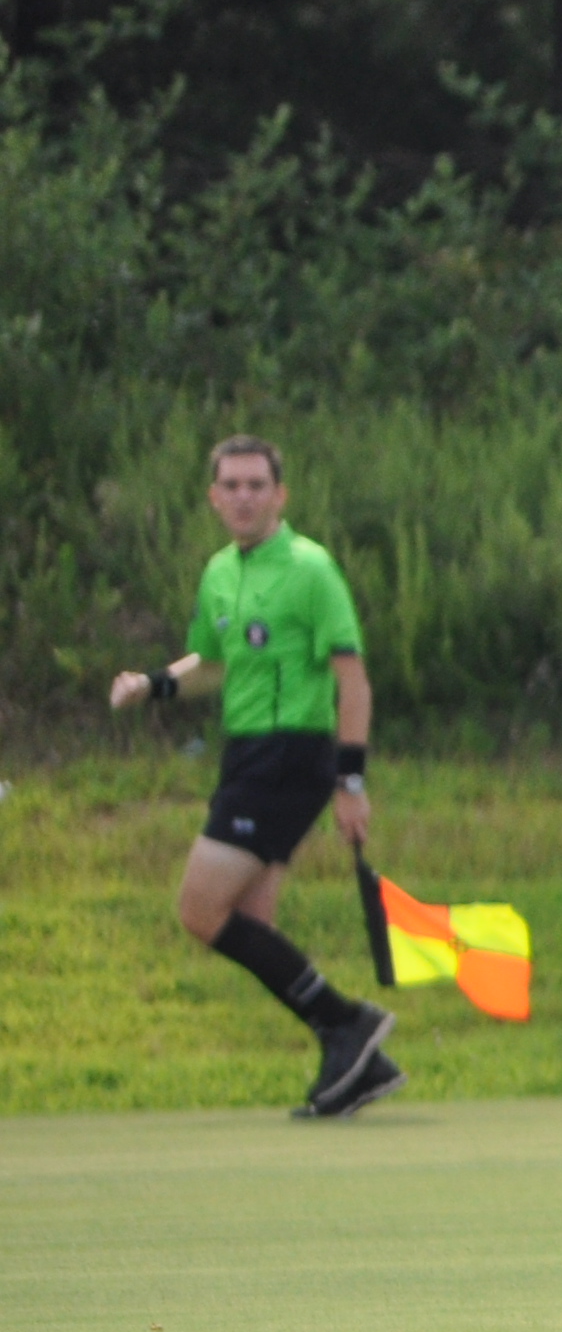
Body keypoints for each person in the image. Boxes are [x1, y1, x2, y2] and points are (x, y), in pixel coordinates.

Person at [104, 436, 403, 1119]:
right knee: (249, 922)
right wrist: (152, 684)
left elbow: (352, 682)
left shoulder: (310, 569)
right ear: (214, 498)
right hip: (244, 754)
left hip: (291, 755)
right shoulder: (218, 573)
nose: (243, 496)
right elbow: (212, 663)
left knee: (198, 910)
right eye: (231, 486)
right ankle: (355, 1055)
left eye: (256, 485)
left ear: (280, 495)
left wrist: (349, 782)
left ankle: (346, 1024)